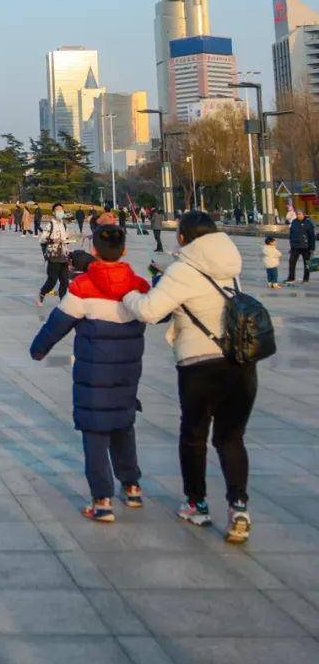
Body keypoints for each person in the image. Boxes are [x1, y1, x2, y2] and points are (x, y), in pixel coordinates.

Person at [122, 210, 256, 543]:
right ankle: (239, 506)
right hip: (241, 363)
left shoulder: (182, 270)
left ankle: (197, 504)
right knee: (231, 437)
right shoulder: (230, 267)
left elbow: (151, 311)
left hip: (200, 365)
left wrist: (129, 295)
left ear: (182, 238)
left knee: (194, 436)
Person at [30, 224, 148, 521]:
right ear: (124, 251)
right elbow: (160, 310)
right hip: (127, 373)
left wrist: (39, 350)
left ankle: (102, 500)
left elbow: (57, 324)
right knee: (123, 425)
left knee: (95, 432)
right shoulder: (137, 285)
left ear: (94, 251)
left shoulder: (83, 286)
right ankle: (132, 486)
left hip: (93, 376)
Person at [38, 205, 71, 307]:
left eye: (61, 210)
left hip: (64, 256)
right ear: (53, 212)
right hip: (54, 256)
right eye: (57, 210)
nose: (60, 212)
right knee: (52, 280)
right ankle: (43, 292)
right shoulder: (50, 225)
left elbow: (66, 239)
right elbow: (42, 239)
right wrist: (54, 240)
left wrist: (69, 239)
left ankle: (62, 301)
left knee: (64, 281)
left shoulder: (64, 225)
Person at [287, 212, 315, 285]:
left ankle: (305, 279)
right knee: (291, 262)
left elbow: (312, 236)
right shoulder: (294, 222)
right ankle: (291, 278)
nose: (298, 216)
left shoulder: (308, 223)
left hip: (306, 247)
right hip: (295, 246)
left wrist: (312, 248)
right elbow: (291, 233)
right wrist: (291, 243)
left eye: (299, 214)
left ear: (303, 214)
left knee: (307, 264)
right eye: (297, 214)